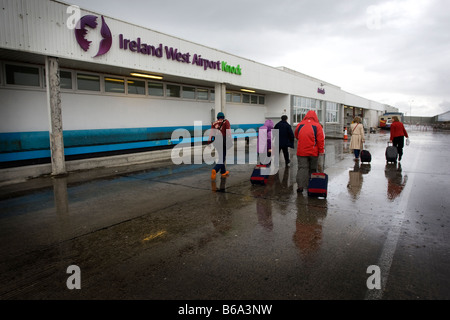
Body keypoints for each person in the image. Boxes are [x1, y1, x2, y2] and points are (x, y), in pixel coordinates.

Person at [294, 111, 325, 193]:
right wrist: (321, 150)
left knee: (302, 168)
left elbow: (296, 136)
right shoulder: (317, 126)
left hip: (301, 151)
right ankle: (311, 185)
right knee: (312, 169)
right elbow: (320, 140)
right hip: (313, 152)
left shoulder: (300, 125)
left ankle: (300, 186)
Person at [210, 112, 231, 180]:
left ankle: (223, 171)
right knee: (222, 158)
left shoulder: (214, 123)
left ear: (217, 117)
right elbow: (228, 131)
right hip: (223, 141)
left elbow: (212, 134)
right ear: (223, 116)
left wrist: (209, 141)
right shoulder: (226, 121)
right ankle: (215, 169)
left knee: (221, 156)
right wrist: (229, 138)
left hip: (216, 142)